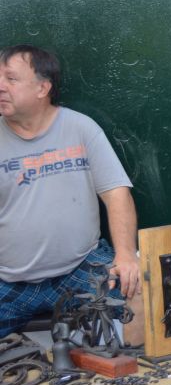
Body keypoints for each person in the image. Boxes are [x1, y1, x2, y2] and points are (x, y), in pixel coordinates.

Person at [0, 44, 143, 343]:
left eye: (10, 79)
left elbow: (116, 193)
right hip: (9, 281)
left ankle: (138, 374)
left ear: (42, 88)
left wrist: (126, 254)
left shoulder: (81, 129)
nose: (1, 86)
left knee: (140, 293)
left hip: (80, 267)